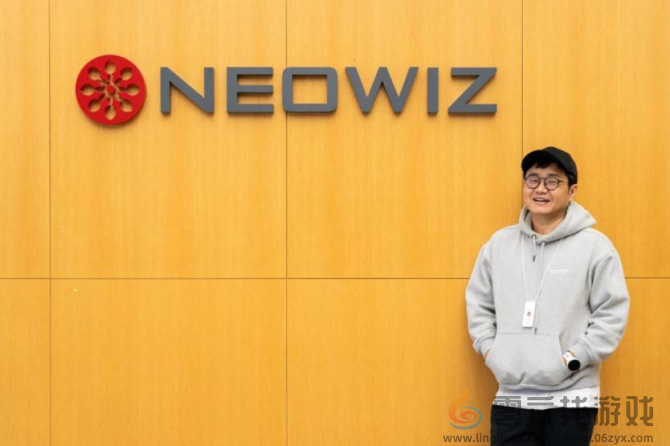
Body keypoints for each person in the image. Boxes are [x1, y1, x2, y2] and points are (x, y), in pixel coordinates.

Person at [465, 146, 630, 445]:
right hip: (512, 397)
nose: (540, 189)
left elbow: (611, 314)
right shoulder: (498, 245)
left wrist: (572, 359)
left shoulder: (596, 247)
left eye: (552, 181)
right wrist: (492, 352)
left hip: (572, 398)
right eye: (533, 179)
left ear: (572, 191)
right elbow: (479, 304)